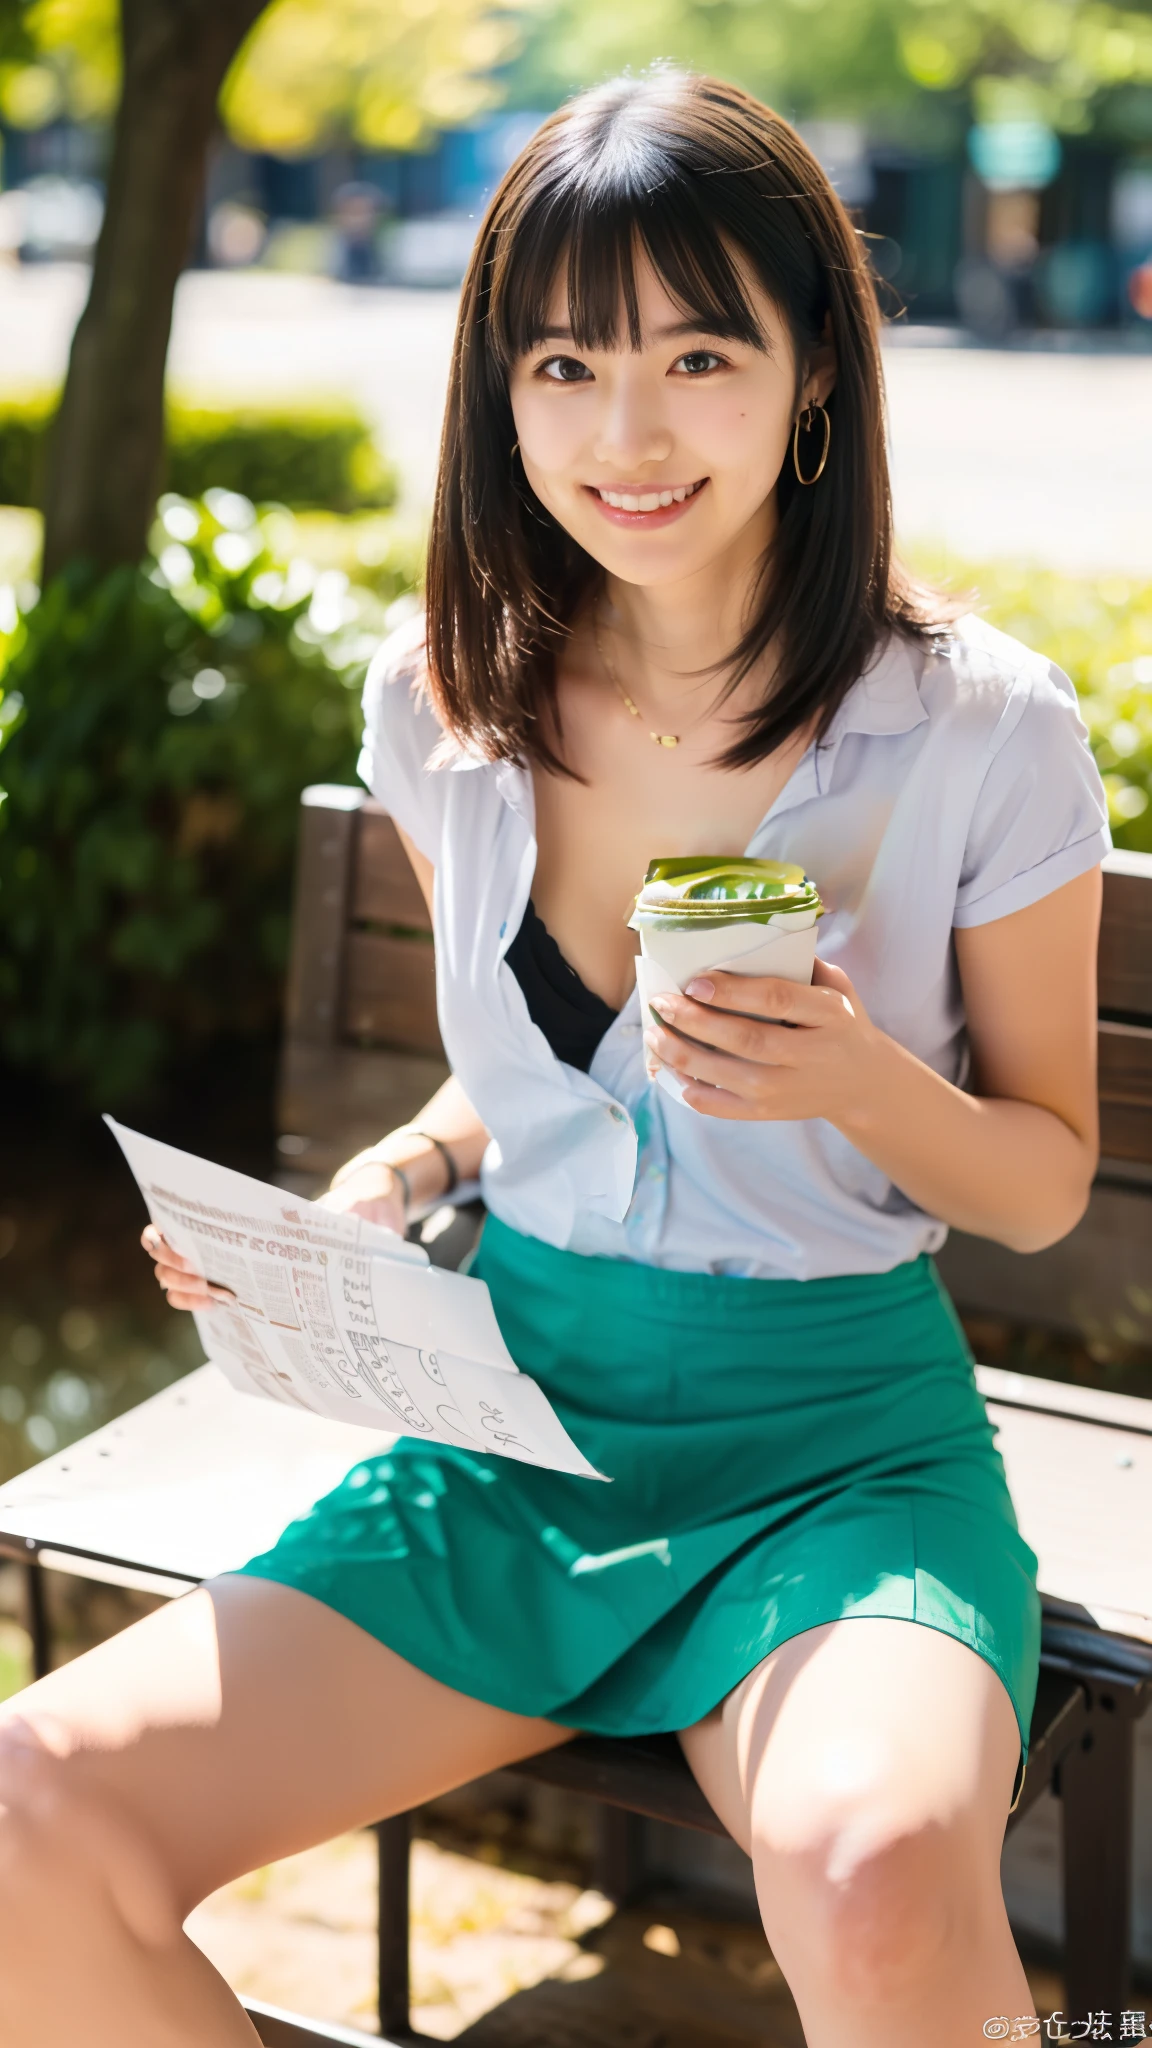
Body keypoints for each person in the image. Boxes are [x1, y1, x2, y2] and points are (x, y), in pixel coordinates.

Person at [0, 69, 1110, 2048]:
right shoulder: (444, 706)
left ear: (815, 380)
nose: (631, 429)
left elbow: (1036, 1178)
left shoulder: (974, 732)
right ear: (496, 396)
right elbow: (512, 1091)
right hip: (514, 1436)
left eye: (699, 352)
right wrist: (389, 1188)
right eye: (565, 363)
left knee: (870, 1871)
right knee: (28, 1813)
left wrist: (860, 1082)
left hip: (837, 1456)